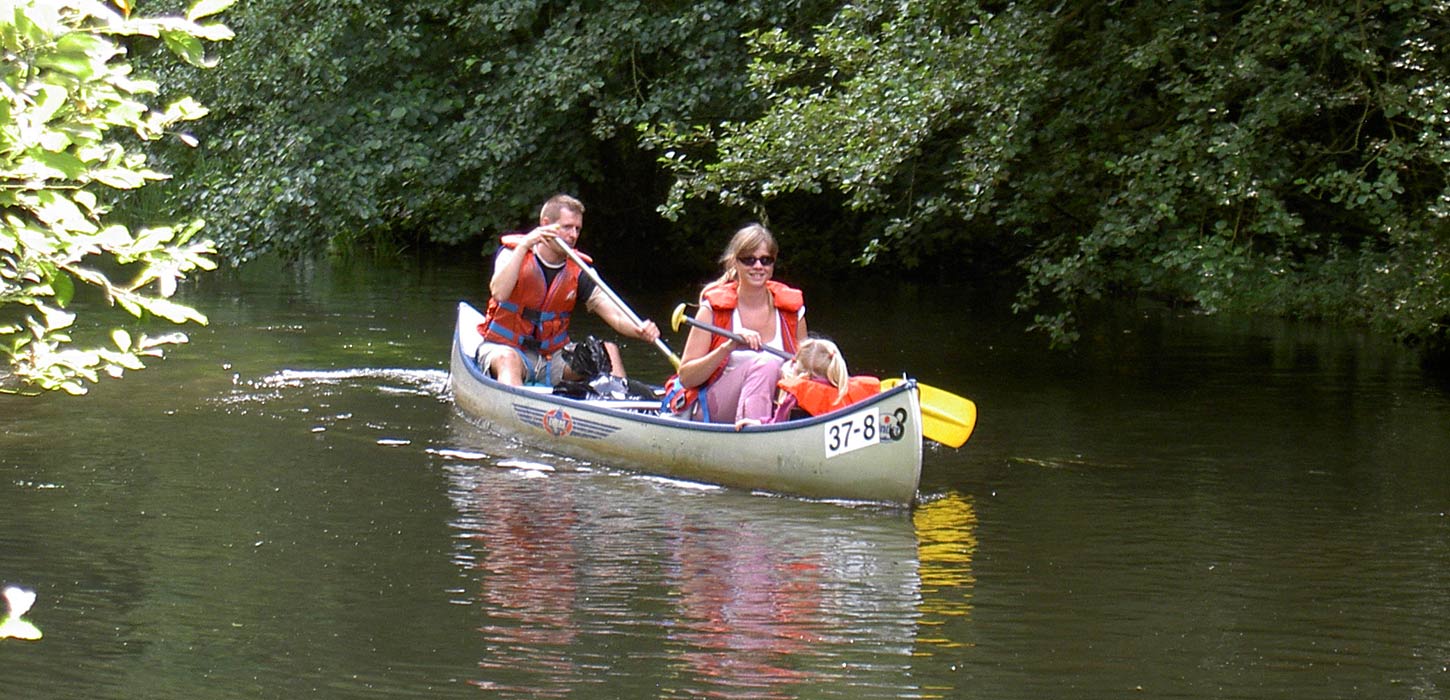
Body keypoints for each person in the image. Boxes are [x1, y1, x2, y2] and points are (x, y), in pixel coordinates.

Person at [476, 194, 660, 386]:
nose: (573, 235)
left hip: (552, 358)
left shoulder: (579, 271)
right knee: (508, 359)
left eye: (577, 229)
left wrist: (639, 329)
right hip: (505, 348)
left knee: (608, 352)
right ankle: (513, 410)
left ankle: (620, 407)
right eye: (567, 227)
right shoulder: (512, 254)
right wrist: (524, 246)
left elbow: (616, 315)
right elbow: (499, 293)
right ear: (546, 224)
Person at [670, 223, 807, 426]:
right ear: (736, 263)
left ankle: (768, 428)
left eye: (765, 260)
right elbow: (687, 377)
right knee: (767, 363)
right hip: (714, 407)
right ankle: (755, 438)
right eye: (749, 260)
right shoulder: (711, 310)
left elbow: (807, 371)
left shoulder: (792, 311)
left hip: (773, 410)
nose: (758, 266)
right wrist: (728, 347)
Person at [772, 337, 882, 421]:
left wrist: (759, 423)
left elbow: (777, 424)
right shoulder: (857, 392)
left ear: (803, 373)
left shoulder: (795, 396)